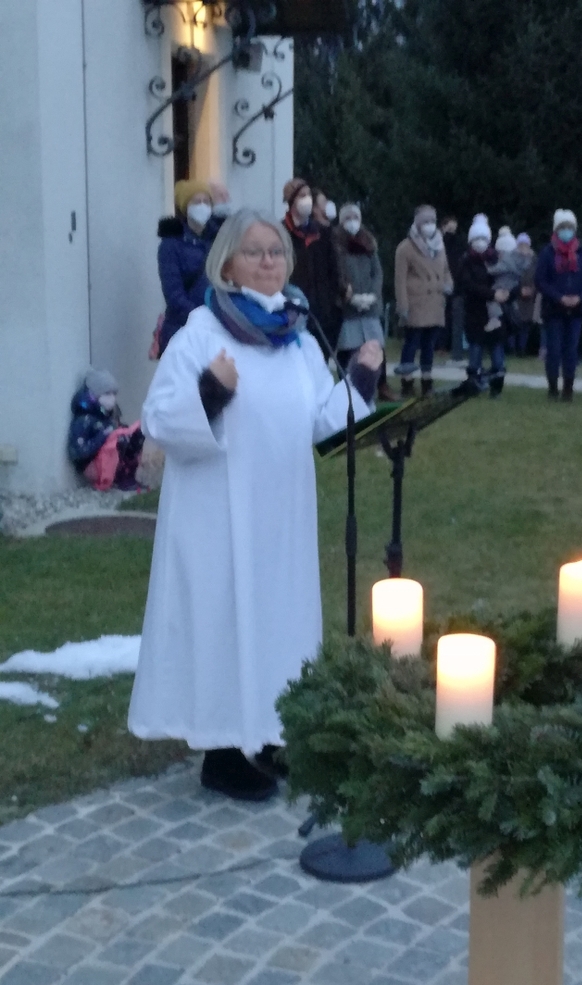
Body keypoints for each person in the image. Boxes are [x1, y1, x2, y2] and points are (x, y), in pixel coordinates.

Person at [128, 208, 382, 801]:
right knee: (222, 619)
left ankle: (273, 733)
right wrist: (211, 391)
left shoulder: (297, 340)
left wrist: (361, 379)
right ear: (227, 264)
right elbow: (159, 420)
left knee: (279, 620)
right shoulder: (200, 334)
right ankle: (222, 753)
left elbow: (323, 421)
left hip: (282, 514)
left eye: (276, 251)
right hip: (217, 514)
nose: (268, 261)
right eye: (254, 251)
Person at [332, 204, 396, 401]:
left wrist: (373, 295)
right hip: (348, 308)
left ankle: (382, 385)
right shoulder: (336, 244)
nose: (352, 222)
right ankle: (347, 387)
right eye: (347, 218)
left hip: (370, 307)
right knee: (348, 349)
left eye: (355, 217)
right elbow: (337, 271)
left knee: (376, 347)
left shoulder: (369, 243)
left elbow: (377, 273)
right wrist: (349, 296)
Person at [157, 180, 229, 355]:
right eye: (197, 202)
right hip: (182, 328)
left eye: (207, 201)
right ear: (185, 207)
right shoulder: (171, 244)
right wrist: (200, 317)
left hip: (217, 328)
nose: (203, 206)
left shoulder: (218, 239)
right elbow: (174, 294)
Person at [535, 209, 582, 401]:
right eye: (563, 227)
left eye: (570, 227)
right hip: (554, 310)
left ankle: (568, 388)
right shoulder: (547, 252)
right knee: (554, 350)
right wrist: (558, 297)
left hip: (576, 310)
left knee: (571, 351)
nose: (566, 231)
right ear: (556, 229)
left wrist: (581, 298)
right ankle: (553, 388)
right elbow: (541, 280)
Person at [394, 205, 453, 397]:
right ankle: (407, 382)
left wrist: (448, 284)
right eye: (425, 222)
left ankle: (427, 382)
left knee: (429, 345)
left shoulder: (439, 245)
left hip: (435, 303)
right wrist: (402, 305)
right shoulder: (405, 248)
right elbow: (400, 280)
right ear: (418, 224)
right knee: (412, 343)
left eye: (432, 221)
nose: (429, 225)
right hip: (416, 304)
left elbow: (446, 270)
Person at [282, 178, 342, 359]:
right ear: (291, 201)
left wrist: (334, 299)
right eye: (302, 195)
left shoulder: (322, 233)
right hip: (293, 307)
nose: (307, 199)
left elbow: (334, 269)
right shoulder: (281, 232)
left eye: (308, 195)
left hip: (322, 311)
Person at [457, 214, 508, 397]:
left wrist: (505, 293)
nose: (480, 242)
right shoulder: (466, 261)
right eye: (476, 239)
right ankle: (473, 385)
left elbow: (505, 280)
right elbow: (468, 285)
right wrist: (492, 294)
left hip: (494, 314)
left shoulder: (496, 259)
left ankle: (496, 387)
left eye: (483, 238)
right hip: (474, 313)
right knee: (475, 352)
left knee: (497, 353)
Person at [67, 370, 144, 491]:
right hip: (91, 465)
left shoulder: (107, 414)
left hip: (106, 459)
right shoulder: (84, 420)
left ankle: (128, 475)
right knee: (119, 439)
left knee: (136, 434)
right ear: (94, 396)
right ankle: (119, 477)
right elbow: (78, 452)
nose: (112, 398)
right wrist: (104, 436)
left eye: (114, 394)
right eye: (107, 393)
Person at [486, 227, 526, 352]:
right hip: (513, 285)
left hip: (501, 285)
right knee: (512, 306)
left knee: (491, 300)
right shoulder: (516, 261)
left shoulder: (505, 260)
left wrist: (487, 268)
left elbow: (496, 269)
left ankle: (495, 318)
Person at [440, 215, 465, 358]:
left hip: (455, 284)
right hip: (445, 282)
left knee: (450, 316)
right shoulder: (439, 243)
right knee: (444, 315)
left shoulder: (457, 244)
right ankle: (442, 344)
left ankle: (447, 345)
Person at [514, 233, 537, 356]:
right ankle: (513, 348)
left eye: (525, 245)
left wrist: (533, 289)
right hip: (517, 296)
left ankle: (522, 348)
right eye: (521, 245)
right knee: (515, 322)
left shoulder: (534, 259)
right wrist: (519, 289)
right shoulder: (513, 259)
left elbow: (538, 277)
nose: (523, 247)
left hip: (530, 297)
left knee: (526, 325)